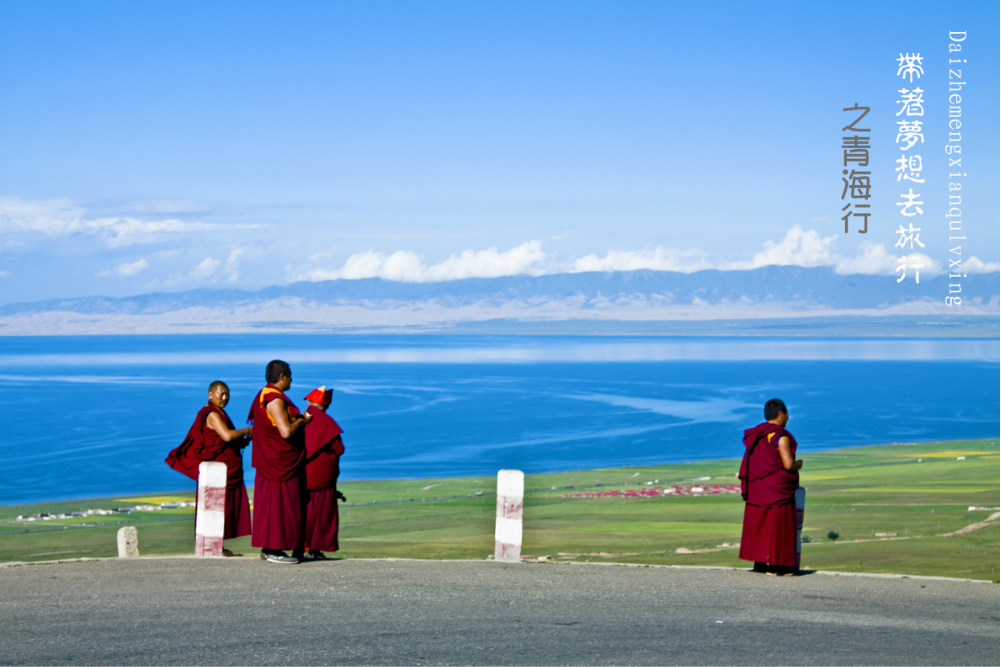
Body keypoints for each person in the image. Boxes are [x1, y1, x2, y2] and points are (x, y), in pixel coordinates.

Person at [165, 381, 253, 556]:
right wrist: (248, 431)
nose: (225, 397)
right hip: (219, 472)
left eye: (227, 394)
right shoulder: (211, 413)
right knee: (217, 508)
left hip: (226, 469)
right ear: (210, 395)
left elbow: (223, 439)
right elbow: (227, 436)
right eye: (221, 393)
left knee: (224, 509)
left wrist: (241, 441)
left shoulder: (219, 412)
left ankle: (217, 547)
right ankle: (215, 549)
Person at [247, 360, 312, 564]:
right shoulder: (275, 400)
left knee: (270, 505)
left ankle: (269, 548)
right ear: (282, 377)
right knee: (280, 506)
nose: (292, 380)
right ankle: (274, 549)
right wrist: (303, 420)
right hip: (279, 463)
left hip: (270, 460)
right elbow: (285, 432)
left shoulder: (263, 395)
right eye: (290, 376)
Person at [738, 398, 802, 575]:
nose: (788, 418)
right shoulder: (780, 436)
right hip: (777, 488)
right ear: (781, 414)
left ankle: (760, 563)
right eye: (787, 414)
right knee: (779, 525)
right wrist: (799, 465)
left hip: (758, 487)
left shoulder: (756, 435)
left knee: (759, 524)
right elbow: (788, 464)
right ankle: (776, 566)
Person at [301, 386, 346, 559]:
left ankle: (300, 547)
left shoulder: (300, 419)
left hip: (301, 477)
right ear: (326, 405)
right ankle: (315, 549)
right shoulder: (329, 423)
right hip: (323, 479)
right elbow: (339, 449)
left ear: (310, 402)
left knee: (302, 513)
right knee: (320, 514)